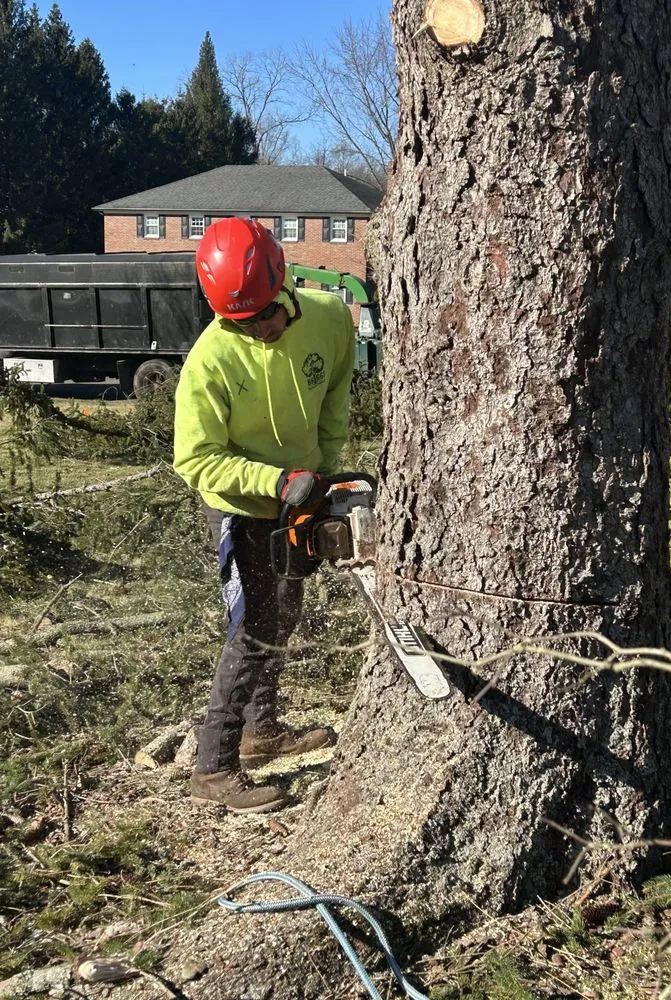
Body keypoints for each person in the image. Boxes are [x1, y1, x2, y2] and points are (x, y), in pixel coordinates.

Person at [173, 216, 356, 813]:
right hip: (240, 502)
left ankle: (262, 731)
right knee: (253, 625)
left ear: (284, 286)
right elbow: (197, 460)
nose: (258, 330)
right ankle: (213, 765)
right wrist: (275, 482)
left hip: (302, 490)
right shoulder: (210, 362)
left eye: (266, 316)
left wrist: (323, 473)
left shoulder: (329, 320)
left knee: (289, 606)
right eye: (241, 322)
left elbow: (334, 393)